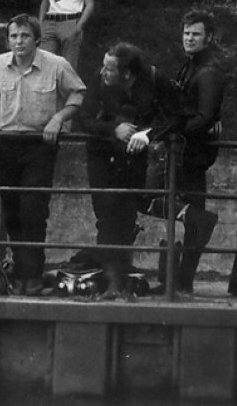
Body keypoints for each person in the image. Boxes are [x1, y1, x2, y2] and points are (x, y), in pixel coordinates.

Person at [0, 14, 86, 295]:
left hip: (40, 145)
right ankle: (21, 274)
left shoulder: (56, 65)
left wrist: (59, 119)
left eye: (25, 36)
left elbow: (77, 94)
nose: (19, 41)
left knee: (33, 210)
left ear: (37, 39)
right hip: (7, 143)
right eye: (14, 36)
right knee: (13, 212)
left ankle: (33, 277)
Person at [128, 10, 226, 294]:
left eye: (195, 34)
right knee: (186, 211)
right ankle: (181, 281)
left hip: (189, 152)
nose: (189, 39)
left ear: (208, 38)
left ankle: (182, 281)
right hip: (184, 148)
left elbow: (204, 116)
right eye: (186, 33)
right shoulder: (192, 65)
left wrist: (170, 133)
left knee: (150, 197)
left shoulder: (209, 71)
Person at [79, 43, 162, 295]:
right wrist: (113, 130)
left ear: (126, 73)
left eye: (110, 68)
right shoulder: (98, 81)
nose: (103, 72)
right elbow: (84, 118)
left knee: (126, 217)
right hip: (102, 156)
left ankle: (121, 279)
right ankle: (110, 282)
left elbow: (168, 116)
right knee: (106, 217)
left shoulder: (152, 81)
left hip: (133, 159)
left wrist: (147, 133)